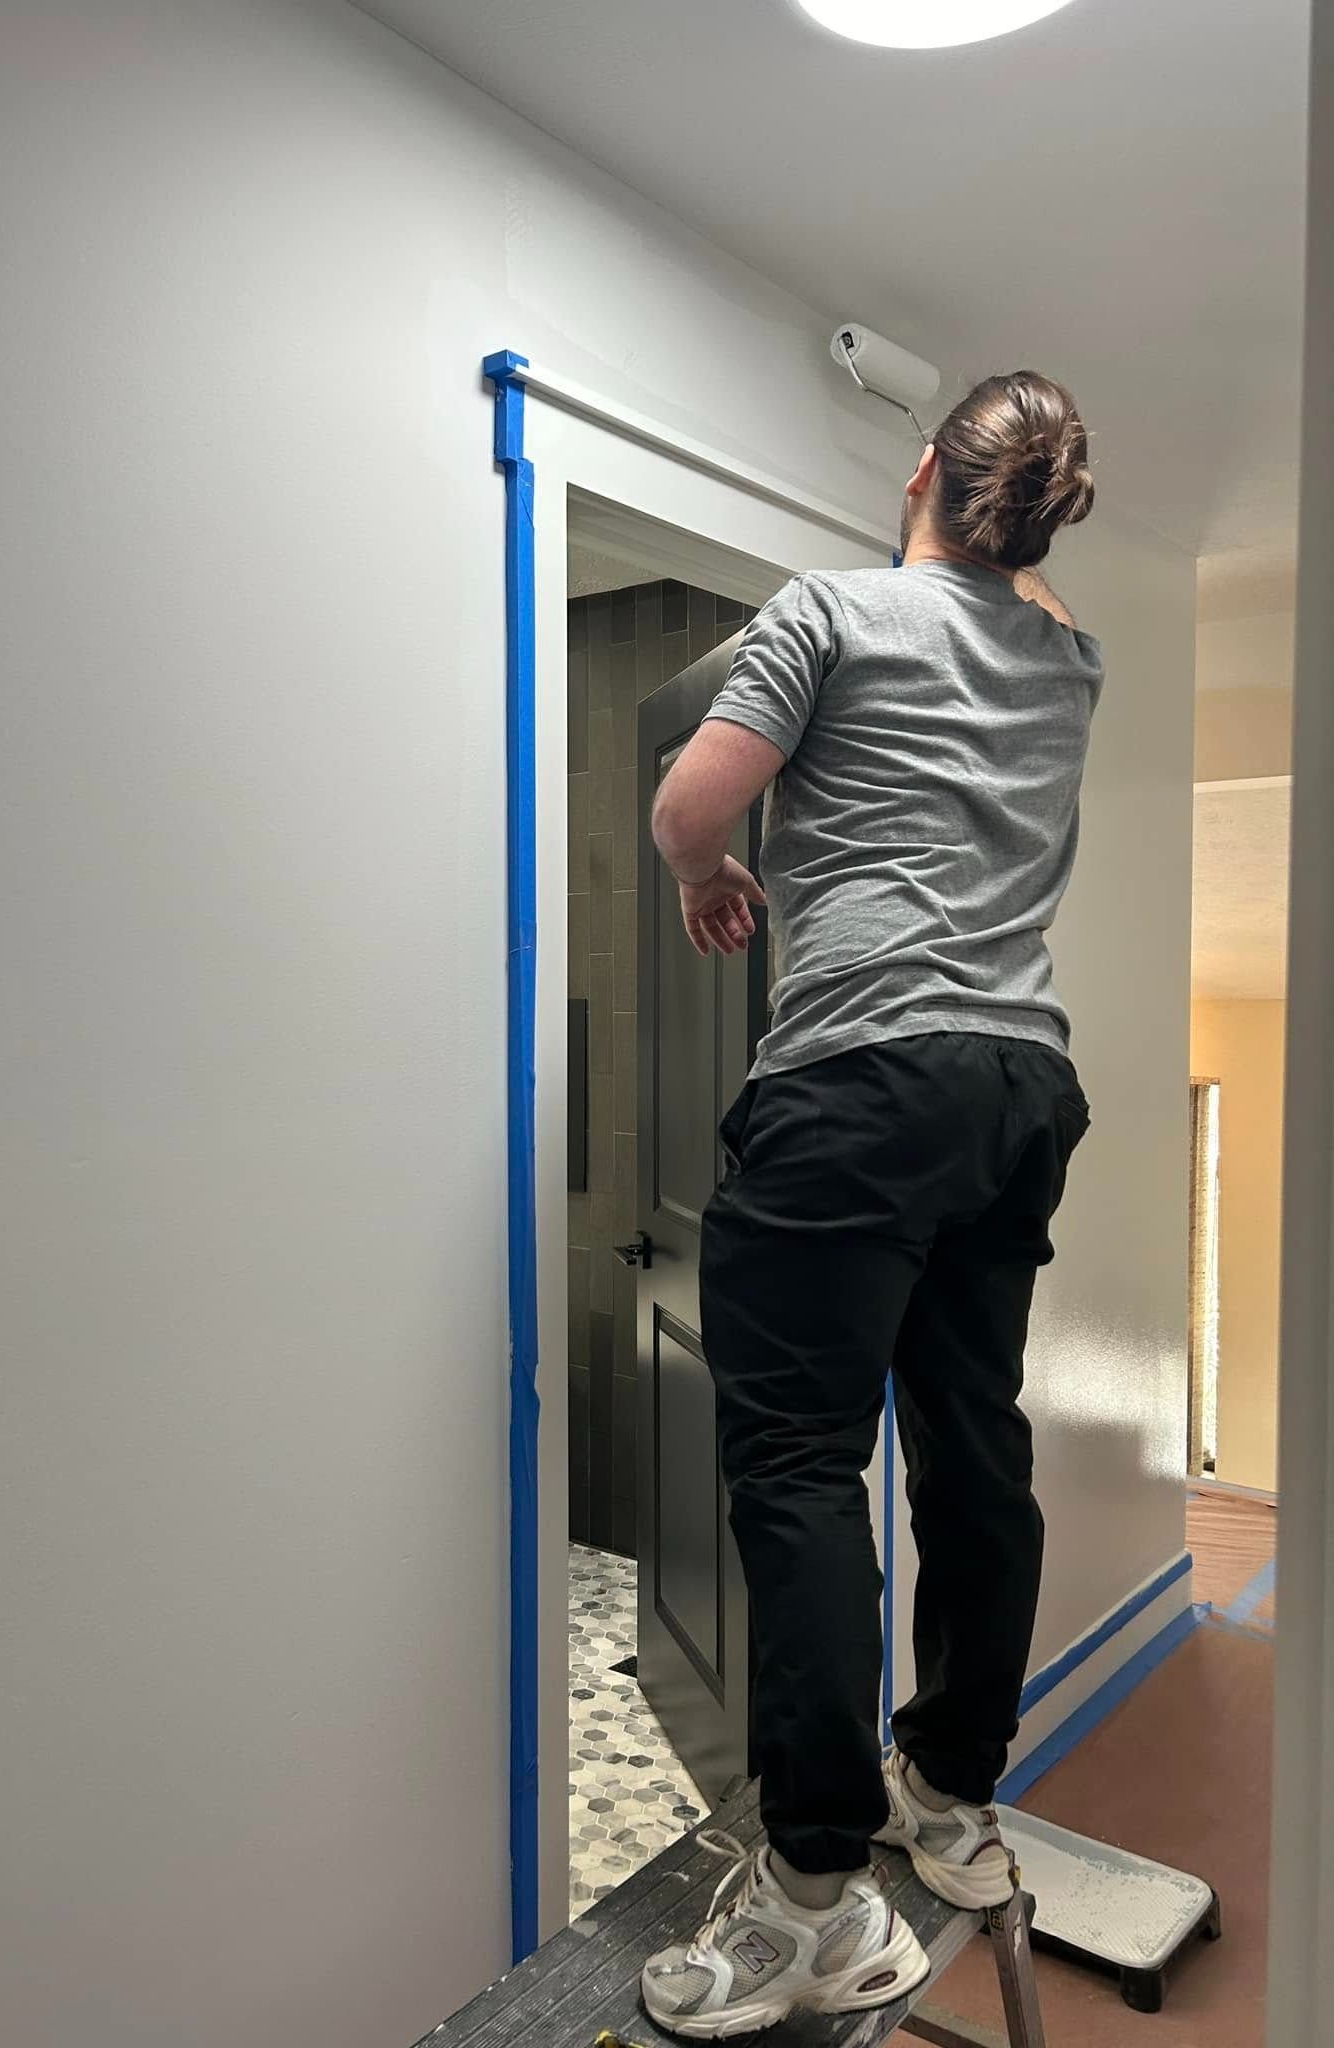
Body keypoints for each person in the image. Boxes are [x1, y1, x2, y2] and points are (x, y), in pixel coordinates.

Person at [639, 371, 1103, 2037]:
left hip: (856, 1080)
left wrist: (712, 876)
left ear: (918, 472)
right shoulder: (1067, 657)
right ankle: (952, 1793)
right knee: (972, 1436)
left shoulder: (831, 608)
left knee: (796, 1461)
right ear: (1046, 514)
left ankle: (818, 1891)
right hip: (1016, 1088)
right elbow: (1018, 599)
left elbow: (693, 808)